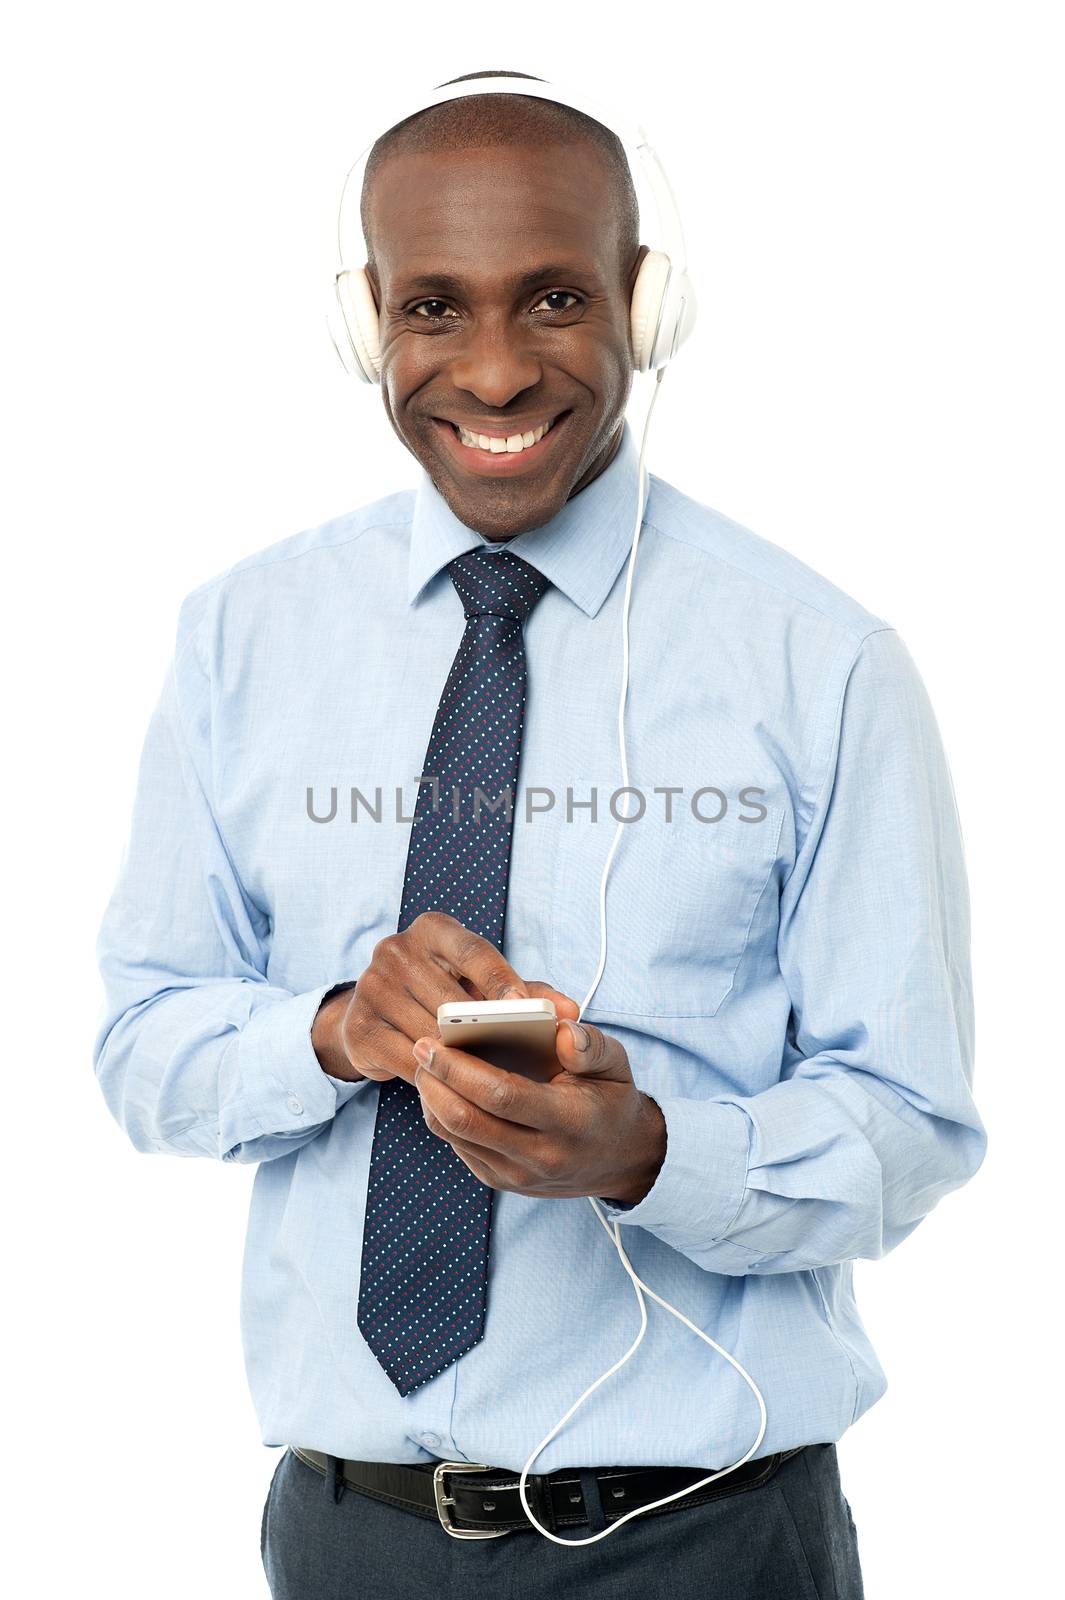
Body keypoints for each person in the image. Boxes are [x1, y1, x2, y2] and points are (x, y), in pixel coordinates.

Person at [93, 68, 988, 1600]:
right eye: (433, 308)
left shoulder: (816, 660)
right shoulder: (241, 637)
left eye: (556, 297)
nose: (494, 375)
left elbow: (906, 1126)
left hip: (701, 1545)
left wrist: (648, 1152)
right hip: (343, 1538)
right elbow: (142, 1047)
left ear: (646, 305)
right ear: (363, 320)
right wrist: (325, 1032)